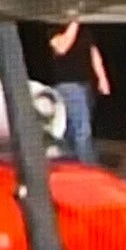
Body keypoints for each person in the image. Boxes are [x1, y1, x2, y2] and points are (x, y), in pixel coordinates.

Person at [46, 19, 109, 166]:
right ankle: (88, 168)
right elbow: (62, 48)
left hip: (86, 84)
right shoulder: (54, 29)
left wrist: (102, 78)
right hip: (69, 85)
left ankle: (72, 163)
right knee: (81, 130)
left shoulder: (85, 31)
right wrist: (74, 24)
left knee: (76, 129)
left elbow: (93, 53)